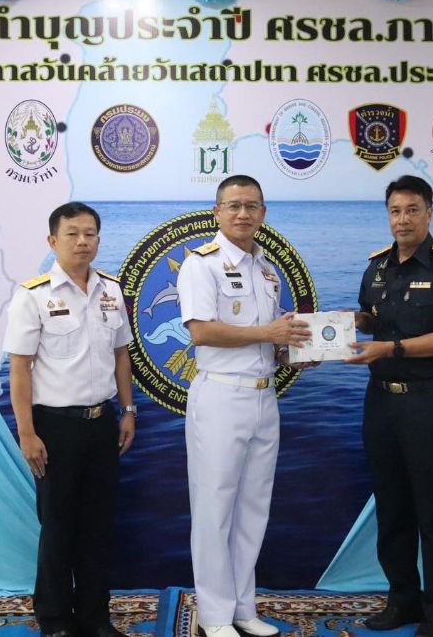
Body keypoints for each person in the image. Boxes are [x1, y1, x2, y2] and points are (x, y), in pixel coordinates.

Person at [176, 175, 312, 637]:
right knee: (214, 509)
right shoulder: (202, 265)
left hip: (263, 395)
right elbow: (202, 332)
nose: (243, 214)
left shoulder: (267, 270)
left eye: (252, 206)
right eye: (233, 205)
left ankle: (242, 608)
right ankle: (215, 617)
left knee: (254, 507)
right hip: (221, 396)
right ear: (217, 212)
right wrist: (268, 333)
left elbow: (270, 342)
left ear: (263, 214)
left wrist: (294, 353)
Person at [346, 175, 433, 637]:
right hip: (381, 403)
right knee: (392, 505)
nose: (403, 220)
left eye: (412, 210)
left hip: (427, 402)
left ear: (430, 213)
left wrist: (391, 348)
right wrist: (349, 322)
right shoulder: (377, 266)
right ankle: (403, 599)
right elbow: (372, 317)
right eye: (395, 211)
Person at [4, 201, 137, 637]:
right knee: (59, 528)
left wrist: (128, 410)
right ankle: (56, 620)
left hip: (102, 424)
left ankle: (95, 618)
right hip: (54, 427)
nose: (82, 242)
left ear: (98, 239)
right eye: (72, 234)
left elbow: (121, 355)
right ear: (52, 241)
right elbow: (20, 369)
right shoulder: (34, 295)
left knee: (98, 527)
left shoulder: (111, 290)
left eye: (90, 234)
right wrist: (27, 433)